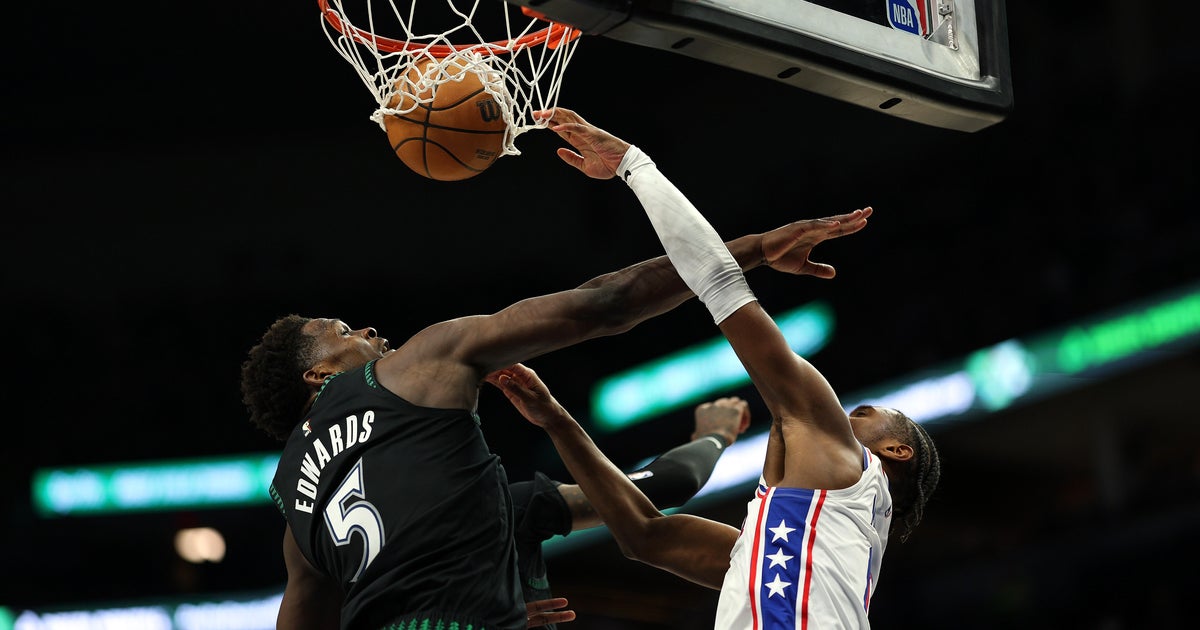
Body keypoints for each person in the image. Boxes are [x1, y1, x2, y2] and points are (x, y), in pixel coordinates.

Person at [239, 185, 868, 629]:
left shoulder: (296, 518)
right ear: (317, 374)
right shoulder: (414, 367)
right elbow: (606, 303)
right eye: (343, 330)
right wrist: (750, 251)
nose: (368, 331)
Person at [487, 107, 942, 628]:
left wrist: (633, 165)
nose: (842, 412)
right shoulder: (807, 546)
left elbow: (719, 281)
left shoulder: (845, 463)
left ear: (895, 451)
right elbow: (644, 535)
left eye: (861, 413)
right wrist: (556, 420)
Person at [510, 396, 750, 628]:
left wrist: (557, 421)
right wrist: (555, 420)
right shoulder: (767, 567)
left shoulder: (504, 511)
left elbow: (647, 531)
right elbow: (659, 502)